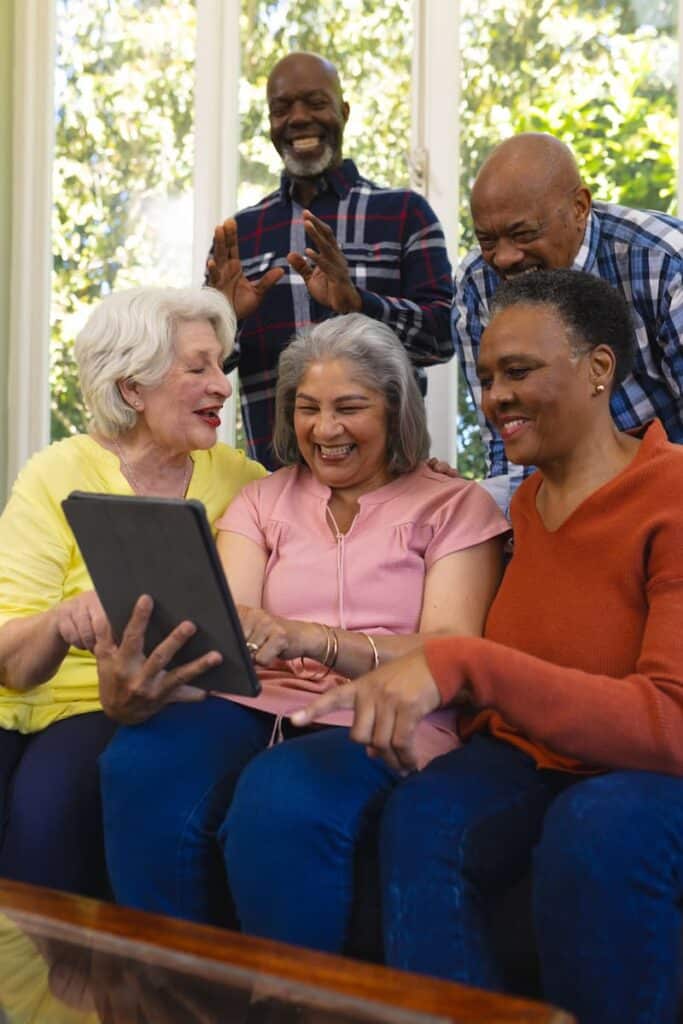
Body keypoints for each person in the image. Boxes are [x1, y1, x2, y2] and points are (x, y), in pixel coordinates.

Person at [298, 271, 683, 1024]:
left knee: (595, 830)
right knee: (421, 816)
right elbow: (508, 674)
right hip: (526, 756)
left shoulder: (671, 497)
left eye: (518, 371)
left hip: (642, 772)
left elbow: (667, 725)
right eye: (483, 377)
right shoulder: (521, 506)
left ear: (598, 369)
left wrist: (457, 666)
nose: (494, 397)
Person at [99, 313, 509, 950]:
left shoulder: (455, 506)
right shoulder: (264, 501)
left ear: (396, 407)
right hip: (255, 704)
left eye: (350, 407)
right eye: (307, 408)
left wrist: (312, 639)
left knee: (281, 796)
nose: (326, 430)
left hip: (383, 713)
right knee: (139, 761)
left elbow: (449, 652)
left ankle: (294, 1005)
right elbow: (229, 627)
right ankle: (170, 992)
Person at [0, 286, 265, 898]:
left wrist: (415, 471)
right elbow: (12, 661)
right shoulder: (57, 473)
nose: (223, 386)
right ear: (131, 389)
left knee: (63, 808)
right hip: (44, 704)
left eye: (221, 366)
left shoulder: (248, 483)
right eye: (197, 367)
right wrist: (65, 619)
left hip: (159, 708)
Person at [205, 51, 454, 469]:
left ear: (344, 111)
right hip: (276, 487)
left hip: (391, 485)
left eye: (315, 103)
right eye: (281, 109)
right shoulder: (239, 235)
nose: (298, 118)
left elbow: (445, 336)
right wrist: (224, 323)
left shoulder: (405, 213)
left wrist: (359, 304)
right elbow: (205, 370)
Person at [452, 131, 683, 511]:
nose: (505, 258)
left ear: (579, 207)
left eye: (523, 233)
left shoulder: (665, 263)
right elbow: (506, 442)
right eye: (487, 240)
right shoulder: (476, 283)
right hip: (560, 502)